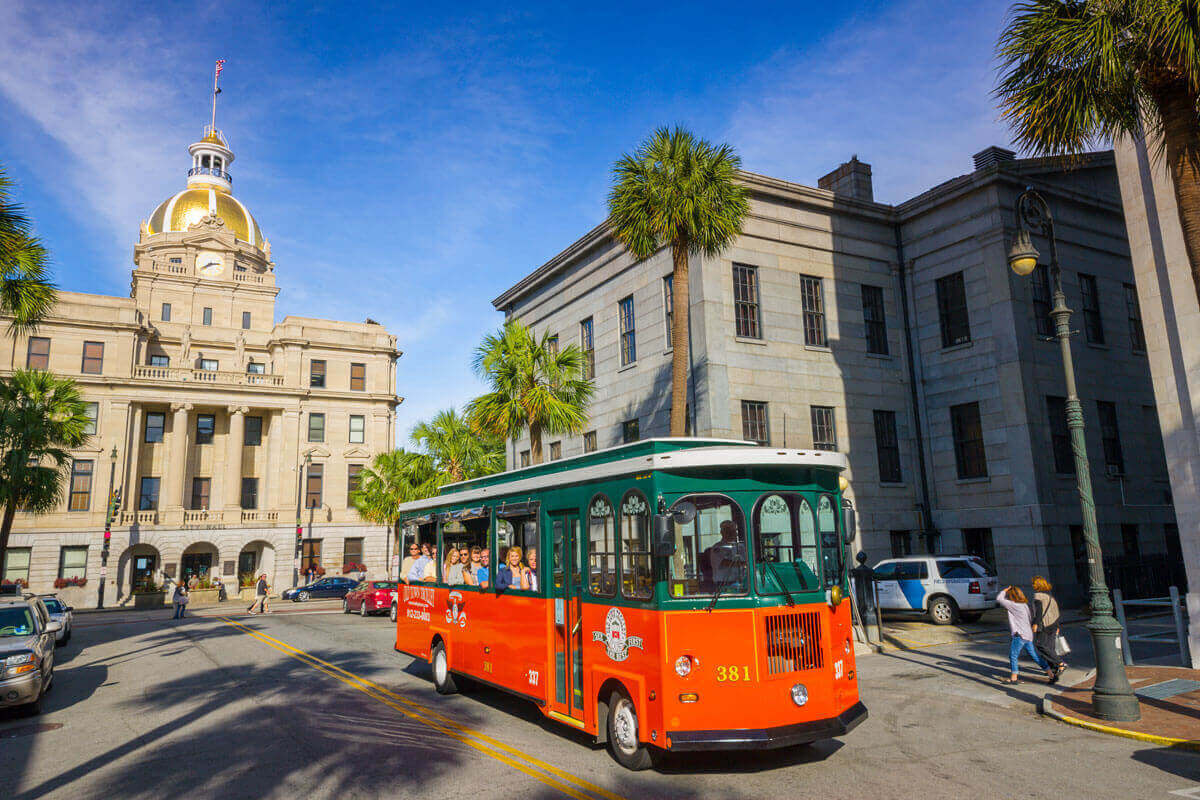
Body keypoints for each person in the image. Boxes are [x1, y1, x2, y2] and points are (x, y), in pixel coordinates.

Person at [997, 585, 1053, 684]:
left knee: (1013, 655)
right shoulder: (1024, 605)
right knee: (1035, 656)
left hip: (1020, 635)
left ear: (1011, 596)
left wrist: (1005, 590)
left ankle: (1014, 678)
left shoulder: (1013, 605)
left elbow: (999, 599)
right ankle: (1050, 673)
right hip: (1028, 634)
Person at [1031, 575, 1067, 682]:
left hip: (1043, 625)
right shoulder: (1051, 598)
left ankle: (1059, 663)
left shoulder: (1038, 597)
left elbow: (1038, 613)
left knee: (1040, 645)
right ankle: (1054, 670)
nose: (1032, 585)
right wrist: (1057, 626)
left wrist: (1035, 624)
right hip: (1053, 625)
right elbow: (1056, 612)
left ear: (1037, 585)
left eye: (1033, 583)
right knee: (1050, 647)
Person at [709, 520, 747, 589]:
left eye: (733, 531)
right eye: (728, 531)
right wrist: (743, 564)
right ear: (722, 533)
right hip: (723, 586)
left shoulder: (741, 547)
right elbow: (724, 563)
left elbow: (748, 560)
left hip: (742, 584)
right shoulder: (718, 548)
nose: (731, 533)